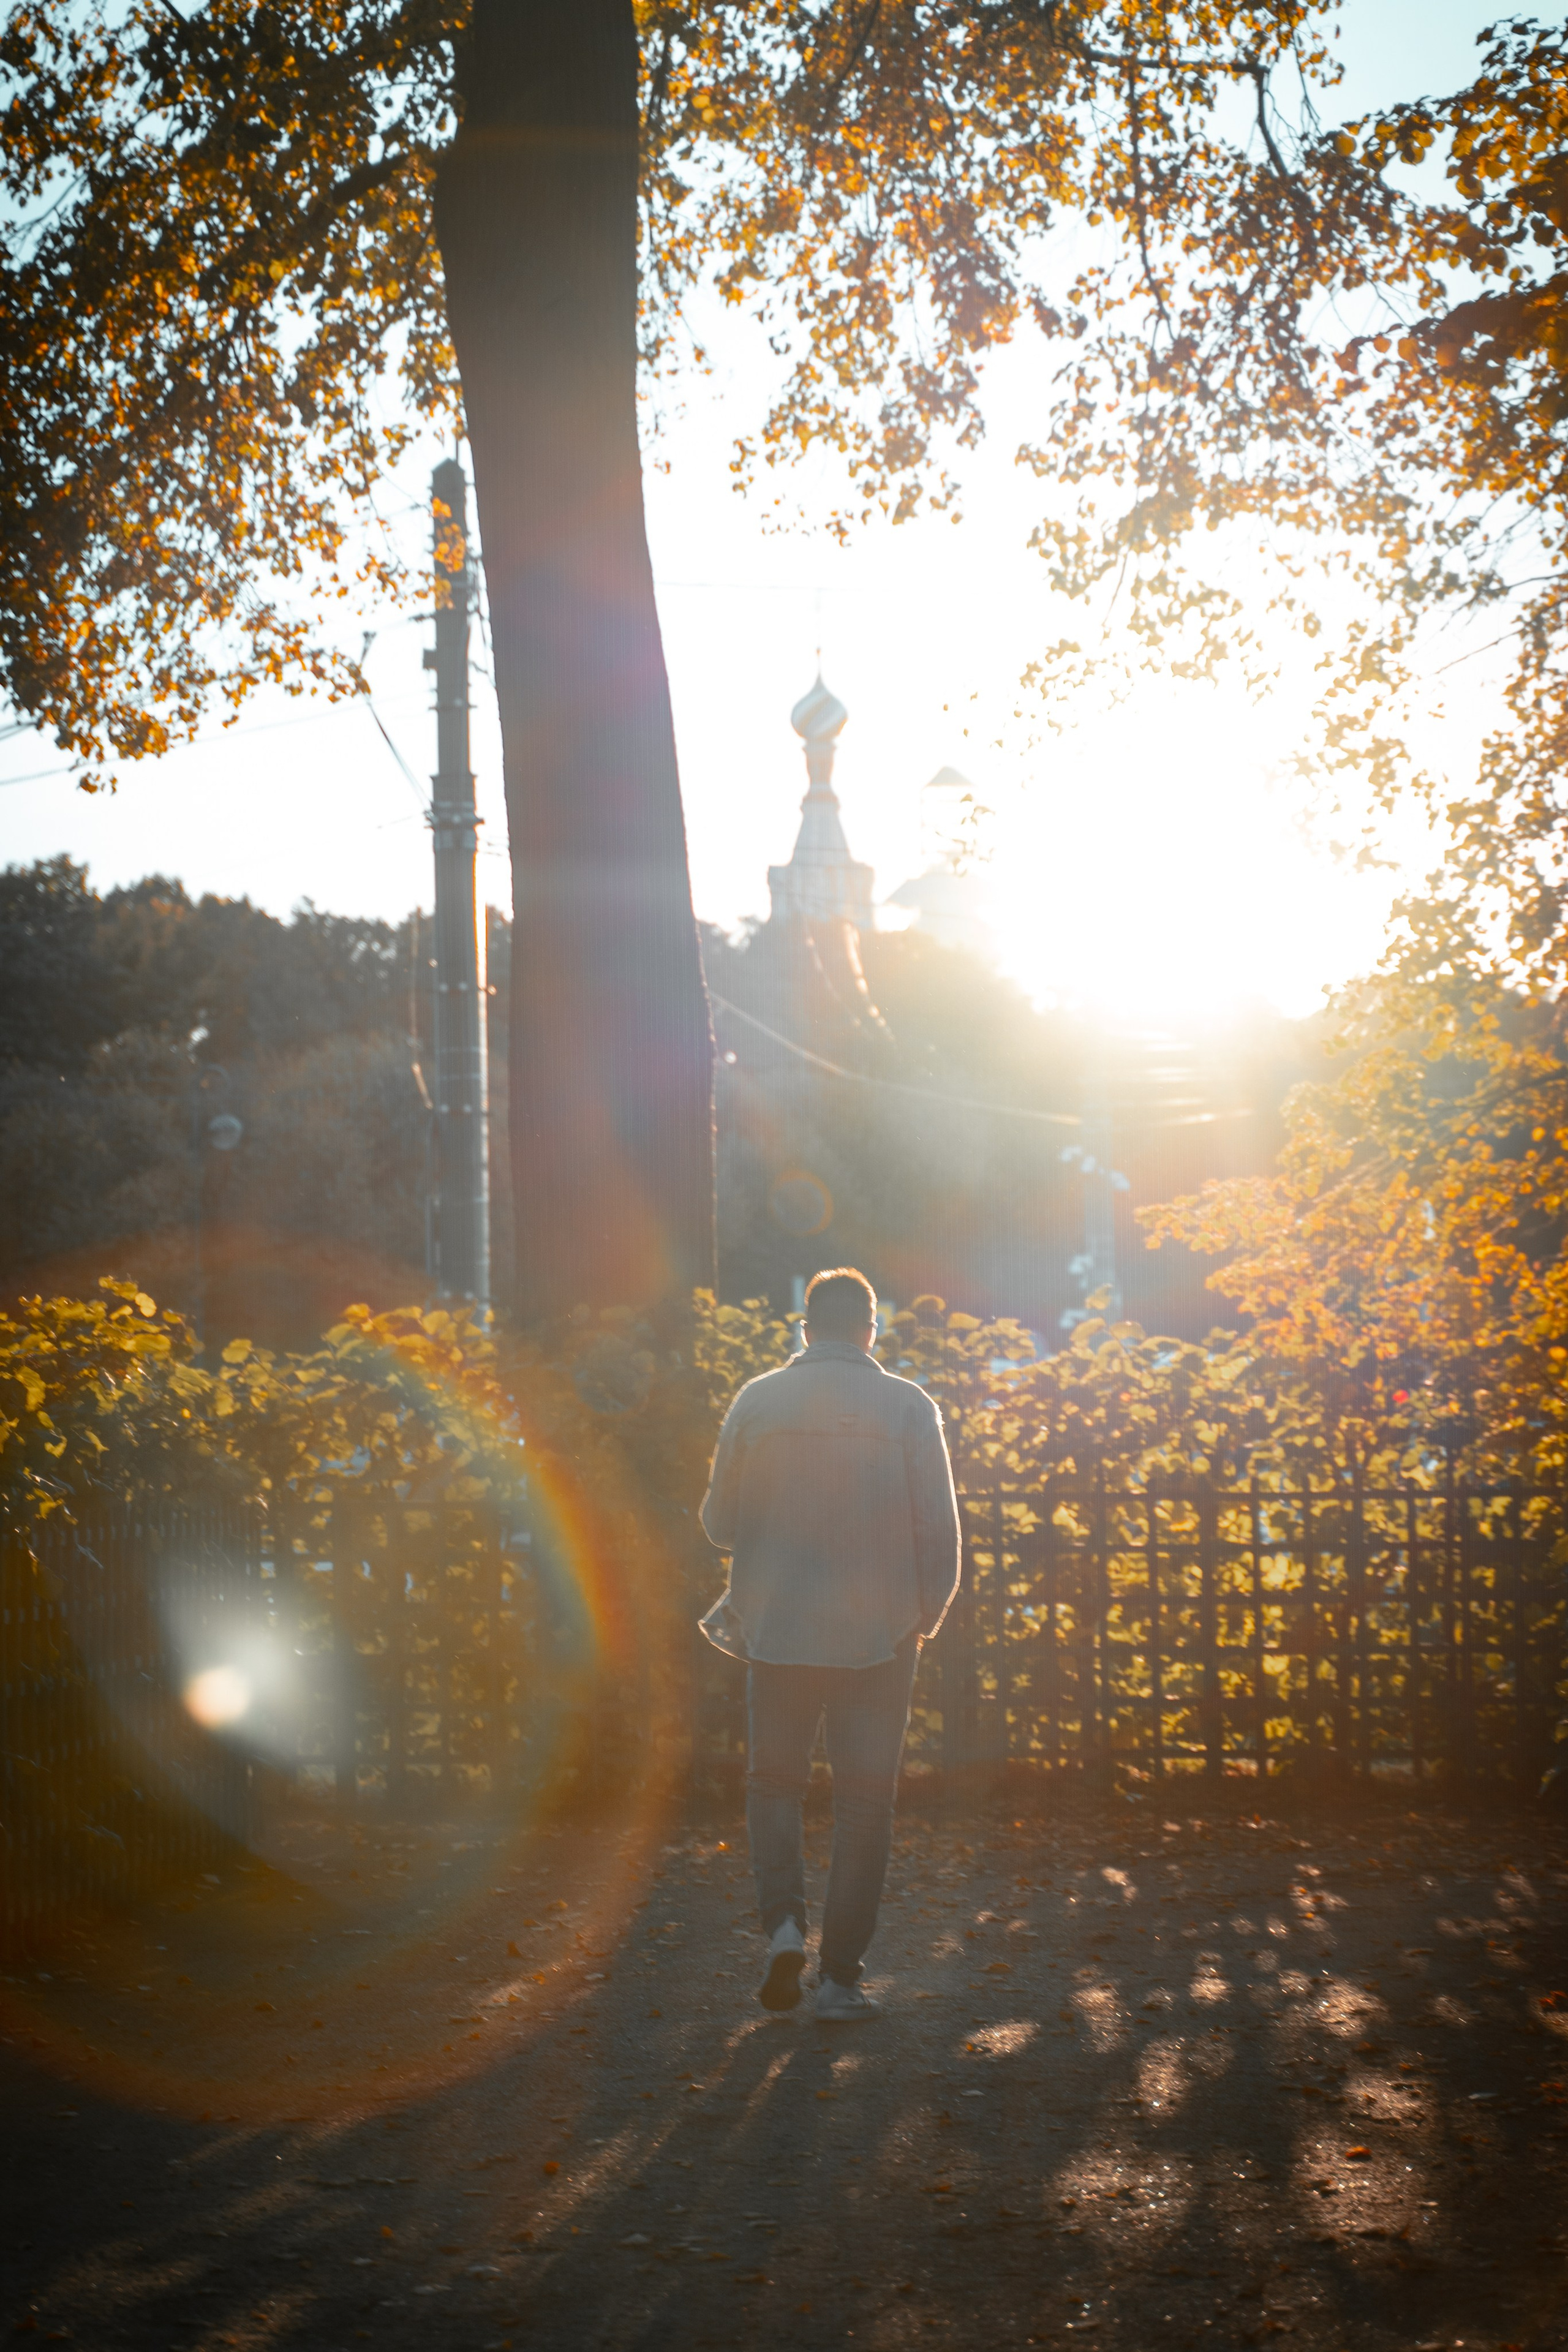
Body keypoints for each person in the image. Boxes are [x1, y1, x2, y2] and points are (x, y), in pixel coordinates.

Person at [698, 1267, 962, 2020]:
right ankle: (840, 1979)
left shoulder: (757, 1401)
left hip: (778, 1628)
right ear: (871, 1331)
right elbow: (939, 1533)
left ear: (805, 1330)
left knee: (773, 1785)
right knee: (864, 1803)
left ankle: (783, 1927)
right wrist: (924, 1616)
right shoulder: (909, 1407)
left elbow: (719, 1525)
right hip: (879, 1636)